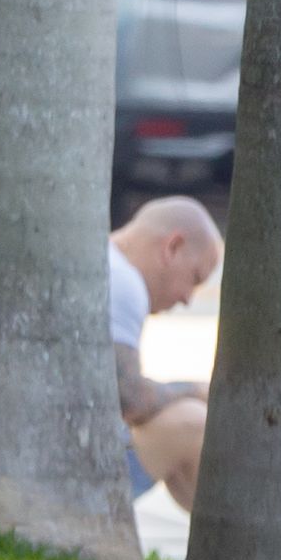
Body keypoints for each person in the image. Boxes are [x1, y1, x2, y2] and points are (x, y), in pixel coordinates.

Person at [110, 196, 223, 511]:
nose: (188, 299)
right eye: (195, 278)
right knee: (192, 422)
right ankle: (239, 552)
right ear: (172, 247)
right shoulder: (123, 282)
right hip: (65, 478)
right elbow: (131, 400)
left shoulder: (106, 262)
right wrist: (198, 391)